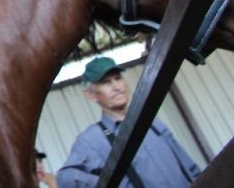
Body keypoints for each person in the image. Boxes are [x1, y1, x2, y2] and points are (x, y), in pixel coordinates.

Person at [56, 56, 201, 187]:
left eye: (118, 78)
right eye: (106, 82)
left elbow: (190, 168)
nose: (116, 87)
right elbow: (65, 178)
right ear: (91, 95)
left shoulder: (152, 122)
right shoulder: (91, 140)